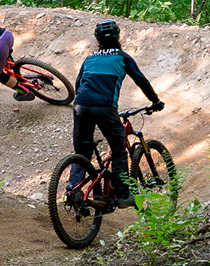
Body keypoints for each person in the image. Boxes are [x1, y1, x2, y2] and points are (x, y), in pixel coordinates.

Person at [69, 20, 164, 209]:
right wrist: (155, 101)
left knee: (82, 152)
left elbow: (79, 84)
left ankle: (72, 190)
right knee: (119, 149)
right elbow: (141, 80)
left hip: (80, 105)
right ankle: (122, 195)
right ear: (117, 37)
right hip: (105, 107)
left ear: (97, 40)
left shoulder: (90, 58)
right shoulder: (122, 57)